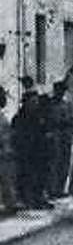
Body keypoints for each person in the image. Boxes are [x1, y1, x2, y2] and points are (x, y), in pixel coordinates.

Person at [12, 80, 52, 209]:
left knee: (41, 176)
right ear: (26, 103)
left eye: (36, 102)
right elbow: (17, 137)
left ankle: (39, 199)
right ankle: (28, 200)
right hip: (26, 153)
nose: (35, 104)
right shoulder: (19, 118)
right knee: (27, 177)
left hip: (39, 152)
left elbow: (44, 132)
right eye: (33, 102)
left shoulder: (39, 116)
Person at [44, 80, 73, 199]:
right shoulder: (49, 105)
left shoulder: (67, 105)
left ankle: (60, 188)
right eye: (59, 90)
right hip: (54, 136)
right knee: (54, 163)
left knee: (64, 163)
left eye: (62, 91)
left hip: (65, 136)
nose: (60, 93)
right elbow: (47, 120)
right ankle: (52, 189)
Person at [0, 86, 20, 215]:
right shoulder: (1, 118)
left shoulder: (2, 116)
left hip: (5, 152)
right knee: (7, 178)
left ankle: (10, 203)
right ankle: (10, 203)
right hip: (3, 153)